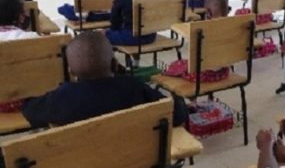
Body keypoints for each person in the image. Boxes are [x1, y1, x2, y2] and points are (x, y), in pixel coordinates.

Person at [21, 31, 187, 128]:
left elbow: (29, 111)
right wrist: (179, 100)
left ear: (71, 70)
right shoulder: (133, 88)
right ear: (114, 64)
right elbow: (176, 115)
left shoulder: (59, 98)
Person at [163, 0, 231, 83]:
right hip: (223, 72)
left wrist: (192, 25)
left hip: (203, 74)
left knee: (177, 64)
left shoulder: (203, 28)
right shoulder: (232, 24)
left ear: (208, 10)